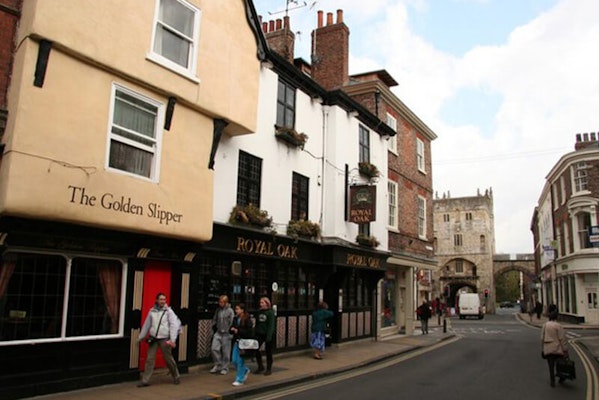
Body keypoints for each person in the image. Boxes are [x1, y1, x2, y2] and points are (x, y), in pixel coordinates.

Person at [137, 292, 181, 387]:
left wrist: (172, 339)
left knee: (168, 359)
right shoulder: (152, 311)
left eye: (164, 299)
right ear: (156, 300)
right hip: (154, 339)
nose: (162, 301)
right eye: (161, 299)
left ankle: (176, 375)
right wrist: (141, 337)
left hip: (165, 338)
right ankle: (145, 380)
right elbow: (147, 325)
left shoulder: (168, 311)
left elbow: (174, 325)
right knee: (150, 359)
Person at [541, 304, 569, 387]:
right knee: (559, 364)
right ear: (556, 318)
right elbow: (562, 339)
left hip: (548, 348)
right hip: (557, 348)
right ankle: (561, 377)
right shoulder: (558, 326)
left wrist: (542, 349)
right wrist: (565, 350)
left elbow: (542, 338)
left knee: (551, 366)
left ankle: (552, 381)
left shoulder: (545, 325)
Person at [230, 303, 254, 386]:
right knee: (233, 360)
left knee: (240, 361)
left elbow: (249, 331)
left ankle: (239, 380)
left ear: (242, 310)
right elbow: (232, 328)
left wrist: (238, 331)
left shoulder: (247, 319)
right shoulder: (235, 318)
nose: (236, 310)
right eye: (235, 309)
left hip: (243, 342)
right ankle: (245, 370)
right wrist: (232, 329)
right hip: (236, 341)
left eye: (237, 309)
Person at [209, 295, 234, 375]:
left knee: (226, 352)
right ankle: (218, 364)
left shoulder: (230, 311)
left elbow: (232, 322)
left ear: (226, 302)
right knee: (214, 348)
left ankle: (225, 367)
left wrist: (230, 331)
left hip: (226, 333)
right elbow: (215, 319)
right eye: (219, 302)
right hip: (218, 332)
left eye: (222, 302)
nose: (220, 303)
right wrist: (213, 328)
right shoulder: (218, 310)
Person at [254, 296, 275, 375]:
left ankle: (269, 368)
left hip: (268, 334)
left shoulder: (270, 312)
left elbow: (271, 325)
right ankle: (260, 366)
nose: (261, 304)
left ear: (267, 303)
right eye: (260, 302)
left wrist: (269, 337)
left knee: (268, 352)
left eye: (262, 302)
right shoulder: (259, 312)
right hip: (259, 333)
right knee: (255, 349)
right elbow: (257, 323)